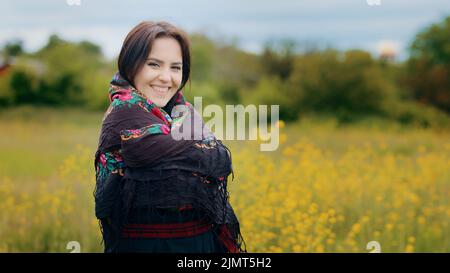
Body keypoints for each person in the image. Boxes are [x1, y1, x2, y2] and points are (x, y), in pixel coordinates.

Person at [93, 21, 246, 253]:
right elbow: (146, 151)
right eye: (154, 64)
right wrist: (203, 147)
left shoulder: (184, 112)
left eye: (176, 67)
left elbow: (221, 160)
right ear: (130, 65)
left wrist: (193, 149)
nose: (166, 77)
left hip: (202, 243)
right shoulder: (124, 112)